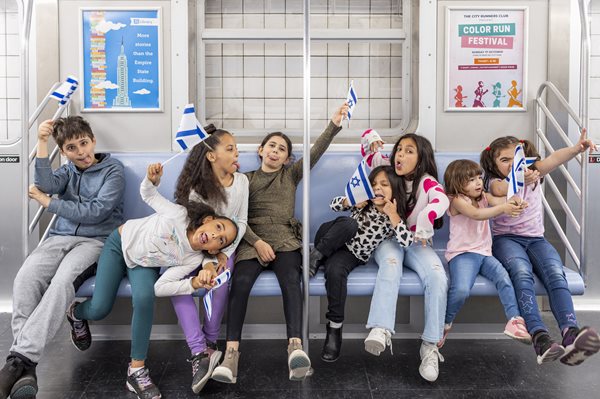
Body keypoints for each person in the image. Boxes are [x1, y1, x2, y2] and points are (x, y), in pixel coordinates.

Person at [66, 163, 238, 399]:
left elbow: (160, 287)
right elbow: (147, 194)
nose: (216, 236)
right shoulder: (179, 214)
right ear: (207, 220)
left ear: (215, 249)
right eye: (218, 228)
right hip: (119, 245)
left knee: (146, 297)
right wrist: (151, 180)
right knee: (99, 308)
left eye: (221, 241)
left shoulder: (192, 259)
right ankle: (76, 312)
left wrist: (193, 284)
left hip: (143, 265)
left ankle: (135, 371)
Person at [211, 102, 348, 384]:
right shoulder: (243, 180)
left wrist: (333, 124)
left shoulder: (291, 175)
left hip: (285, 241)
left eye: (282, 149)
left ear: (287, 159)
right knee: (241, 282)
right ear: (260, 151)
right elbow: (236, 218)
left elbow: (315, 152)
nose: (275, 151)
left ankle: (294, 347)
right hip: (251, 240)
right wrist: (257, 242)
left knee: (290, 279)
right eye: (271, 146)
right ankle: (231, 353)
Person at [0, 117, 124, 399]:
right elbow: (45, 182)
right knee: (25, 278)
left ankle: (17, 361)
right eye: (72, 147)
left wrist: (47, 203)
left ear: (93, 140)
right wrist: (42, 142)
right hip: (59, 237)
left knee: (61, 284)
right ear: (64, 151)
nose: (81, 152)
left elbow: (96, 212)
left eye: (84, 143)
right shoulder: (69, 170)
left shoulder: (113, 170)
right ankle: (24, 367)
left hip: (95, 242)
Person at [481, 132, 600, 365]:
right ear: (493, 164)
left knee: (556, 275)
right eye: (504, 160)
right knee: (522, 273)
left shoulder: (536, 173)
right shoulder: (492, 180)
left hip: (536, 240)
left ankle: (570, 333)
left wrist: (576, 149)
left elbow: (555, 158)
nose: (512, 163)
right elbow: (498, 189)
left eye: (517, 158)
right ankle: (539, 336)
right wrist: (518, 177)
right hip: (506, 240)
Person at [160, 126, 248, 394]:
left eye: (236, 149)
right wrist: (206, 259)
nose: (236, 154)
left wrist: (224, 253)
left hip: (224, 249)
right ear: (212, 156)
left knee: (221, 280)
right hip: (192, 248)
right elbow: (194, 232)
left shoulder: (242, 182)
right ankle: (199, 351)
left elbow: (241, 222)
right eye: (230, 148)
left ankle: (210, 343)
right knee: (182, 283)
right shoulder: (197, 188)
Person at [359, 129, 449, 382]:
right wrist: (372, 137)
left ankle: (430, 346)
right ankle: (381, 328)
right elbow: (368, 152)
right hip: (388, 239)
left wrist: (426, 217)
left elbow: (440, 200)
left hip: (415, 241)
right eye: (399, 149)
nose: (400, 155)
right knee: (391, 263)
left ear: (421, 159)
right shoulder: (388, 167)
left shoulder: (426, 181)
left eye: (409, 151)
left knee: (437, 276)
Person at [310, 165, 413, 362]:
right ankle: (316, 255)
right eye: (374, 184)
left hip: (350, 254)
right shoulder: (363, 202)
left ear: (395, 189)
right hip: (329, 238)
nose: (377, 189)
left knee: (335, 271)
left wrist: (393, 216)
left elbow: (406, 241)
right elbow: (334, 205)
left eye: (384, 185)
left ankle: (334, 329)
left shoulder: (394, 215)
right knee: (349, 224)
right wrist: (350, 201)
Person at [439, 159, 531, 348]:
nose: (479, 182)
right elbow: (476, 214)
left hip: (485, 254)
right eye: (471, 179)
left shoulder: (484, 197)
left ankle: (514, 320)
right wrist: (503, 208)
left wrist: (514, 202)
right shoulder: (456, 200)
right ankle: (444, 323)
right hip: (462, 254)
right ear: (457, 183)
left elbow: (502, 201)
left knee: (504, 279)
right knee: (462, 289)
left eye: (479, 178)